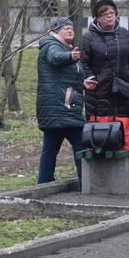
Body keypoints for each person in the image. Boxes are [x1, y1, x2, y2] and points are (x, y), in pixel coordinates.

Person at [35, 17, 97, 187]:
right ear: (56, 32)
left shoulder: (61, 47)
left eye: (71, 28)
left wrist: (82, 83)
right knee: (81, 144)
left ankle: (44, 184)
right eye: (65, 28)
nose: (70, 30)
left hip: (58, 108)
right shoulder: (51, 46)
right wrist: (70, 56)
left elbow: (62, 77)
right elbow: (54, 58)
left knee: (50, 148)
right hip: (62, 108)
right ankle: (86, 184)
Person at [79, 0, 129, 120]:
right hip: (99, 92)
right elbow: (83, 62)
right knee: (102, 132)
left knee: (123, 129)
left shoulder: (124, 34)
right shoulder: (88, 37)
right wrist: (92, 79)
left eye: (112, 13)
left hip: (124, 92)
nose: (109, 16)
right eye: (104, 14)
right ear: (97, 17)